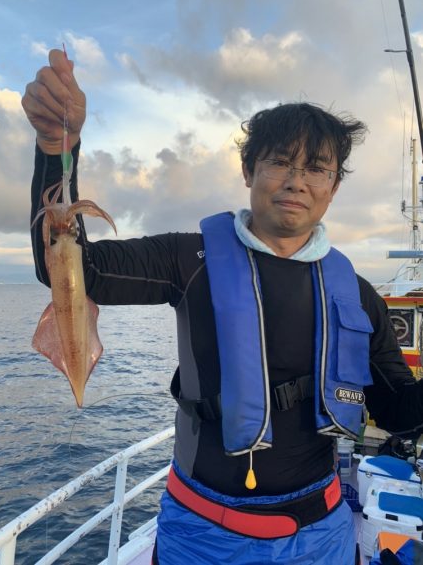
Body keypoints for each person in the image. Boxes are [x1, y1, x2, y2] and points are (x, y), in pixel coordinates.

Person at [22, 49, 423, 565]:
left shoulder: (359, 294)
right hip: (203, 533)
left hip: (321, 533)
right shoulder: (189, 259)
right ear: (248, 169)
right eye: (279, 161)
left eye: (316, 168)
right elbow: (69, 269)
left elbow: (396, 410)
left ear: (335, 186)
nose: (297, 180)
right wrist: (58, 148)